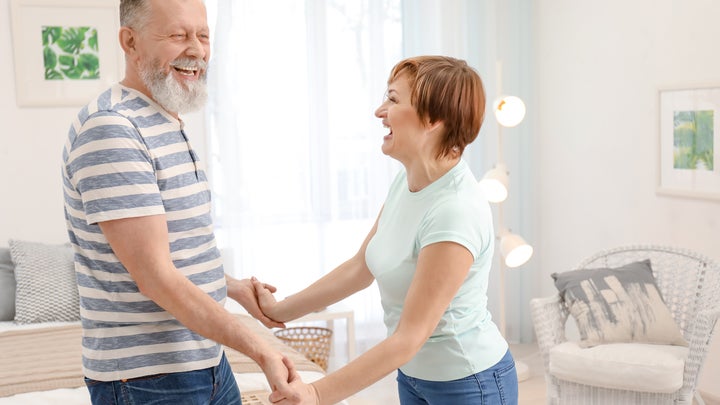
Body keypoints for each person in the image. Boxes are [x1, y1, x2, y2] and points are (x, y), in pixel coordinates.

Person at [61, 0, 299, 403]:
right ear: (130, 42)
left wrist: (233, 287)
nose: (197, 50)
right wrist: (259, 347)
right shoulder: (113, 129)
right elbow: (155, 276)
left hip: (203, 360)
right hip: (148, 378)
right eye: (178, 35)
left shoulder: (162, 118)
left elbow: (166, 253)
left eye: (203, 35)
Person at [253, 55, 519, 405]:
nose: (380, 111)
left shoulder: (454, 212)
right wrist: (279, 311)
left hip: (469, 383)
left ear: (433, 119)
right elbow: (360, 268)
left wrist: (317, 393)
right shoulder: (407, 182)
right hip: (413, 377)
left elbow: (409, 338)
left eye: (393, 99)